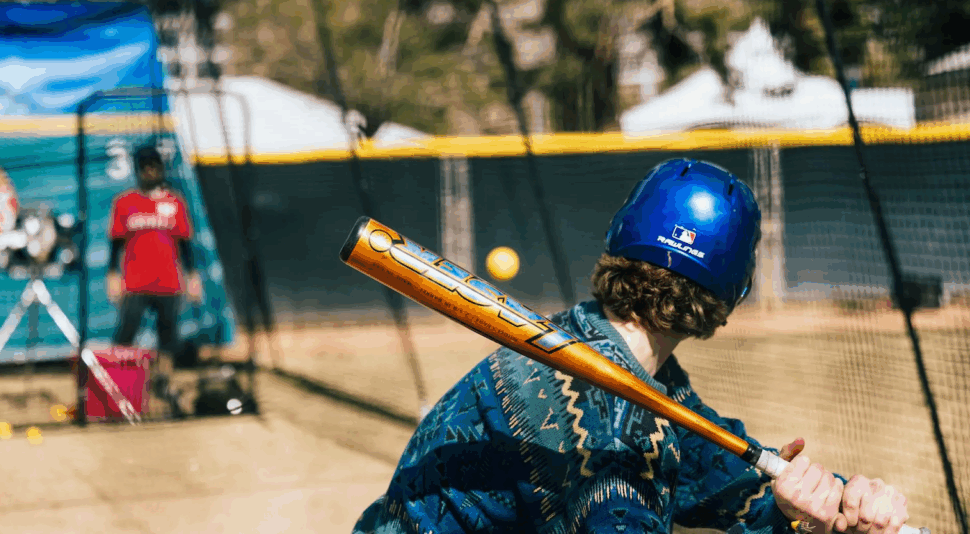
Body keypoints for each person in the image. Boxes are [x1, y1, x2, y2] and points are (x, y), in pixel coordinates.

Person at [354, 158, 910, 534]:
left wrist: (830, 502)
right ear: (728, 294)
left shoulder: (601, 349)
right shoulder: (617, 436)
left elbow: (717, 474)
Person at [106, 144, 202, 414]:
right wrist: (112, 275)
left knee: (168, 336)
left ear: (161, 169)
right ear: (138, 171)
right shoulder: (125, 202)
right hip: (135, 282)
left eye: (154, 167)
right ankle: (117, 385)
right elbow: (115, 243)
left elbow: (185, 244)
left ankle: (164, 382)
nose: (150, 172)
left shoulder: (175, 202)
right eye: (145, 167)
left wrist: (193, 276)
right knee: (125, 334)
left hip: (168, 281)